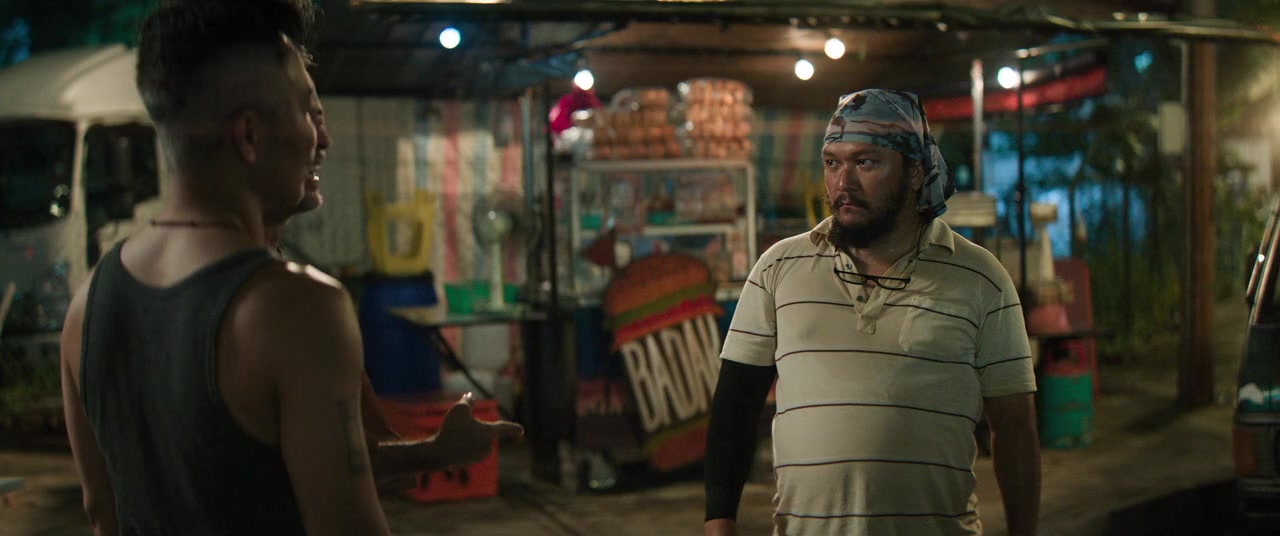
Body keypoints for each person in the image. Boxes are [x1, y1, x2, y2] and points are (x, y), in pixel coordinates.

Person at [58, 1, 518, 534]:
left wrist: (433, 453)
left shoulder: (86, 306)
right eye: (306, 112)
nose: (323, 139)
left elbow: (103, 508)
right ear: (250, 136)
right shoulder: (297, 307)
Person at [703, 89, 1040, 536]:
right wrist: (719, 524)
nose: (843, 183)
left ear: (915, 171)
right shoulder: (778, 269)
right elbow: (734, 409)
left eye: (865, 162)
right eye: (832, 163)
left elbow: (1014, 427)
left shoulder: (981, 279)